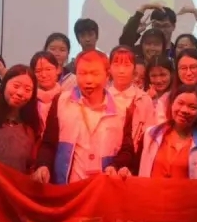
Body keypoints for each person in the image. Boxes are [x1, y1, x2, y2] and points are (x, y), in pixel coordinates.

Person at [35, 50, 134, 184]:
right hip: (68, 188)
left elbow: (127, 150)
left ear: (107, 75)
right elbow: (48, 143)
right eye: (82, 73)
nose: (88, 80)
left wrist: (116, 166)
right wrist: (43, 165)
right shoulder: (61, 101)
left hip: (103, 187)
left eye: (95, 74)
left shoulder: (122, 109)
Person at [137, 85, 197, 179]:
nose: (184, 110)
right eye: (180, 103)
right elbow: (134, 171)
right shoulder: (149, 135)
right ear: (172, 104)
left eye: (192, 107)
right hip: (151, 189)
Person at [107, 47, 154, 165]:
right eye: (116, 65)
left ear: (134, 69)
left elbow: (149, 135)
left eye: (127, 65)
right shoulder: (102, 96)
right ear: (109, 68)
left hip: (133, 160)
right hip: (104, 157)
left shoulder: (144, 99)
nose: (121, 71)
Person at [30, 51, 63, 133]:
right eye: (38, 71)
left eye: (48, 69)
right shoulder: (28, 99)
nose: (44, 75)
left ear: (58, 69)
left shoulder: (66, 98)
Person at [145, 55, 175, 120]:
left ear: (171, 74)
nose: (158, 80)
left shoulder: (177, 96)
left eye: (163, 75)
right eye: (153, 76)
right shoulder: (142, 95)